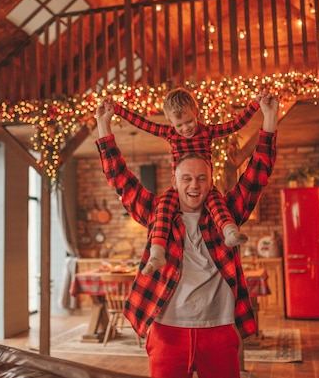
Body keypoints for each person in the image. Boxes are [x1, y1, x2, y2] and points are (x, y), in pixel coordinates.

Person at [95, 92, 278, 378]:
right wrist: (104, 126)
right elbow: (121, 179)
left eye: (202, 178)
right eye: (187, 179)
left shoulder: (226, 212)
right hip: (167, 330)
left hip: (219, 328)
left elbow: (258, 172)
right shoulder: (158, 213)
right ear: (175, 181)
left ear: (210, 179)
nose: (194, 185)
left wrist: (268, 117)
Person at [108, 88, 263, 275]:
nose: (186, 128)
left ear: (196, 112)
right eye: (179, 125)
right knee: (162, 210)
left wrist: (255, 104)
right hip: (178, 190)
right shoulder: (169, 133)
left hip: (205, 186)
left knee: (216, 202)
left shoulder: (206, 132)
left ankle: (229, 232)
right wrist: (117, 109)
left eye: (189, 121)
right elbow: (142, 123)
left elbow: (235, 125)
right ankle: (157, 253)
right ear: (170, 122)